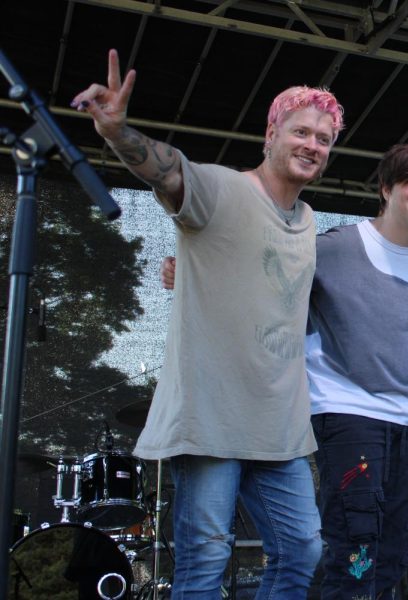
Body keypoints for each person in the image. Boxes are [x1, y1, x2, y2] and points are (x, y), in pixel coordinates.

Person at [74, 49, 344, 598]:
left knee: (303, 550)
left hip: (279, 426)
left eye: (324, 139)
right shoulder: (222, 188)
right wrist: (120, 134)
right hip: (210, 417)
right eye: (301, 131)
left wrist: (189, 270)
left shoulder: (310, 219)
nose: (312, 145)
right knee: (204, 562)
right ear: (271, 134)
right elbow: (168, 170)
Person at [162, 142, 408, 599]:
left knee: (396, 548)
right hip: (345, 413)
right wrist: (198, 268)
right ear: (385, 189)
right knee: (355, 544)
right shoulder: (336, 246)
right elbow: (263, 272)